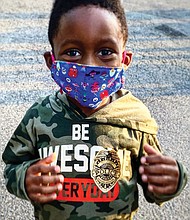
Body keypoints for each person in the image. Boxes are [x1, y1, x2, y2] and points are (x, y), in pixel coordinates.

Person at [2, 0, 187, 219]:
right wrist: (24, 180)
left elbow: (154, 183)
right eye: (72, 53)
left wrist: (172, 181)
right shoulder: (38, 116)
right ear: (51, 62)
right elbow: (13, 165)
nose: (90, 65)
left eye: (105, 51)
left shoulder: (136, 120)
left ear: (125, 60)